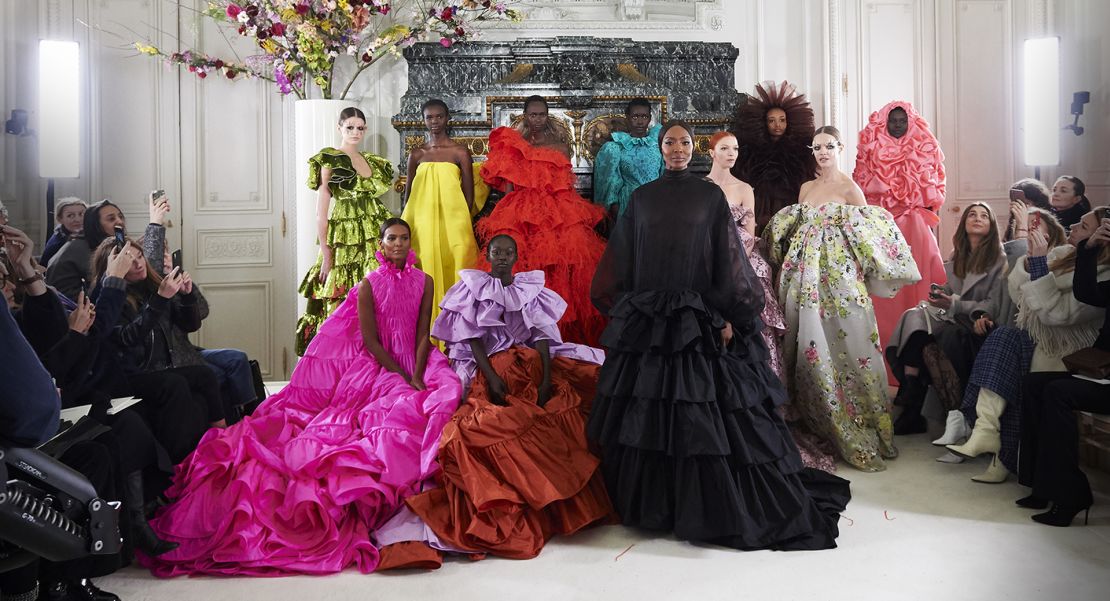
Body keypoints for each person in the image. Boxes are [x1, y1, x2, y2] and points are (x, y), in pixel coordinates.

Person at [141, 219, 463, 576]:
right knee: (381, 418)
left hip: (416, 358)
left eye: (404, 238)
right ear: (382, 244)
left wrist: (416, 373)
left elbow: (423, 333)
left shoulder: (425, 280)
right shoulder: (369, 284)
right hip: (381, 362)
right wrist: (399, 375)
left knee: (445, 395)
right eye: (392, 238)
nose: (398, 244)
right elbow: (371, 342)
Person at [589, 120, 850, 550]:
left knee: (699, 411)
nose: (677, 148)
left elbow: (725, 259)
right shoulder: (641, 198)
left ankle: (701, 502)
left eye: (685, 142)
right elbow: (625, 258)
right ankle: (654, 503)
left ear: (695, 149)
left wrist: (728, 313)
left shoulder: (709, 196)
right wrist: (627, 309)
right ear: (660, 148)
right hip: (652, 322)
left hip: (697, 322)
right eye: (670, 142)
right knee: (649, 412)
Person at [378, 235, 612, 564]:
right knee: (479, 426)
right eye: (496, 252)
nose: (502, 257)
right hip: (487, 367)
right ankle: (504, 498)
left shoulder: (530, 289)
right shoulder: (472, 289)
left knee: (565, 404)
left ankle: (554, 499)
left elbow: (542, 337)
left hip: (527, 365)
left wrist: (545, 379)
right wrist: (490, 378)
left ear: (517, 255)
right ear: (487, 255)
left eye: (508, 252)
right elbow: (472, 339)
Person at [765, 126, 921, 472]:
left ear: (840, 147)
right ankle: (812, 417)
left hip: (838, 277)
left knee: (847, 343)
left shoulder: (850, 188)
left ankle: (856, 419)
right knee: (804, 342)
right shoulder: (807, 188)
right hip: (802, 277)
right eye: (817, 147)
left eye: (828, 146)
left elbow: (869, 237)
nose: (822, 152)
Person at [939, 207, 1104, 481]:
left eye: (1084, 226)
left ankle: (994, 446)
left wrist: (1038, 265)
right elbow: (1018, 295)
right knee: (1003, 337)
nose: (1074, 226)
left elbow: (1056, 315)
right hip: (1039, 337)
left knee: (1011, 355)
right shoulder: (1063, 255)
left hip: (1068, 350)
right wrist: (1030, 263)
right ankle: (986, 433)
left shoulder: (1101, 273)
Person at [704, 131, 835, 473]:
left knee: (758, 334)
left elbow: (748, 233)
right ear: (711, 151)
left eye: (735, 149)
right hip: (708, 263)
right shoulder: (702, 187)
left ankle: (762, 412)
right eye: (724, 149)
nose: (731, 154)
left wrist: (732, 265)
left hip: (745, 266)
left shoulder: (744, 188)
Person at [476, 95, 607, 347]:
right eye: (532, 114)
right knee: (519, 267)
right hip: (521, 210)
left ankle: (556, 335)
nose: (537, 119)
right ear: (525, 116)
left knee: (559, 266)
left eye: (541, 114)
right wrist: (513, 209)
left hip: (555, 210)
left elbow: (564, 184)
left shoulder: (559, 145)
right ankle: (519, 334)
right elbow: (507, 186)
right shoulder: (514, 144)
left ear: (548, 116)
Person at [1017, 210, 1110, 526]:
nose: (1074, 227)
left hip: (1105, 376)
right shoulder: (1085, 264)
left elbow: (1063, 311)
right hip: (1101, 373)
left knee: (1058, 393)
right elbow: (1089, 292)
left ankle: (1071, 493)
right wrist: (1088, 249)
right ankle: (1042, 486)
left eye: (1084, 226)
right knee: (1033, 385)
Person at [886, 203, 1007, 435]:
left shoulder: (999, 259)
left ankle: (911, 397)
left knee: (926, 328)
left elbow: (993, 304)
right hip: (954, 315)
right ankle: (911, 390)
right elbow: (952, 288)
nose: (977, 218)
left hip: (977, 322)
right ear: (964, 224)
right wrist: (941, 293)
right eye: (972, 214)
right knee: (914, 315)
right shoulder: (958, 255)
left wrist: (953, 302)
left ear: (991, 226)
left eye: (984, 216)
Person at [296, 106, 393, 355]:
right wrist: (327, 253)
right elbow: (321, 213)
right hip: (343, 238)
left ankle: (373, 361)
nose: (355, 132)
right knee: (342, 297)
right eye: (350, 127)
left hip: (372, 236)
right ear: (339, 127)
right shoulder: (330, 159)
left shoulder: (373, 162)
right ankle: (341, 362)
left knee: (376, 293)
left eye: (360, 128)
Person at [853, 102, 947, 359]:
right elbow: (862, 189)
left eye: (901, 120)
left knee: (919, 282)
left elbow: (936, 188)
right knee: (883, 289)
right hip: (881, 226)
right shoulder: (871, 147)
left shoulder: (924, 146)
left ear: (910, 122)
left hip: (914, 226)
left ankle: (918, 350)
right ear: (884, 122)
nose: (896, 124)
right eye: (892, 120)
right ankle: (882, 352)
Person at [401, 98, 482, 330]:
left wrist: (461, 220)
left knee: (459, 268)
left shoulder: (460, 152)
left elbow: (469, 194)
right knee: (425, 270)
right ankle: (428, 335)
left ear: (448, 119)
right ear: (423, 120)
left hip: (455, 223)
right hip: (422, 224)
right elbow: (408, 196)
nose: (434, 121)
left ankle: (458, 333)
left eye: (439, 116)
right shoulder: (417, 154)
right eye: (429, 117)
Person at [729, 80, 817, 234]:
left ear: (790, 121)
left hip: (790, 201)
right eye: (772, 121)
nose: (778, 125)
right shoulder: (752, 151)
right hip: (761, 202)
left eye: (782, 120)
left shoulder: (799, 151)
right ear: (763, 123)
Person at [46, 196, 170, 302]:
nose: (120, 221)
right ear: (95, 225)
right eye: (111, 219)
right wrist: (155, 223)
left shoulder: (98, 243)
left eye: (120, 216)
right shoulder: (79, 249)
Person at [593, 98, 663, 220]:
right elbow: (611, 182)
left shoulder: (659, 144)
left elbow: (665, 174)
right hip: (630, 205)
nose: (640, 122)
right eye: (635, 117)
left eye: (644, 117)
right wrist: (615, 209)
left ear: (650, 118)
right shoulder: (617, 146)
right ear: (627, 117)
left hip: (657, 202)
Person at [39, 197, 86, 267]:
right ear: (60, 219)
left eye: (81, 214)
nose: (77, 219)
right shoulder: (59, 244)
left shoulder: (84, 235)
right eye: (70, 215)